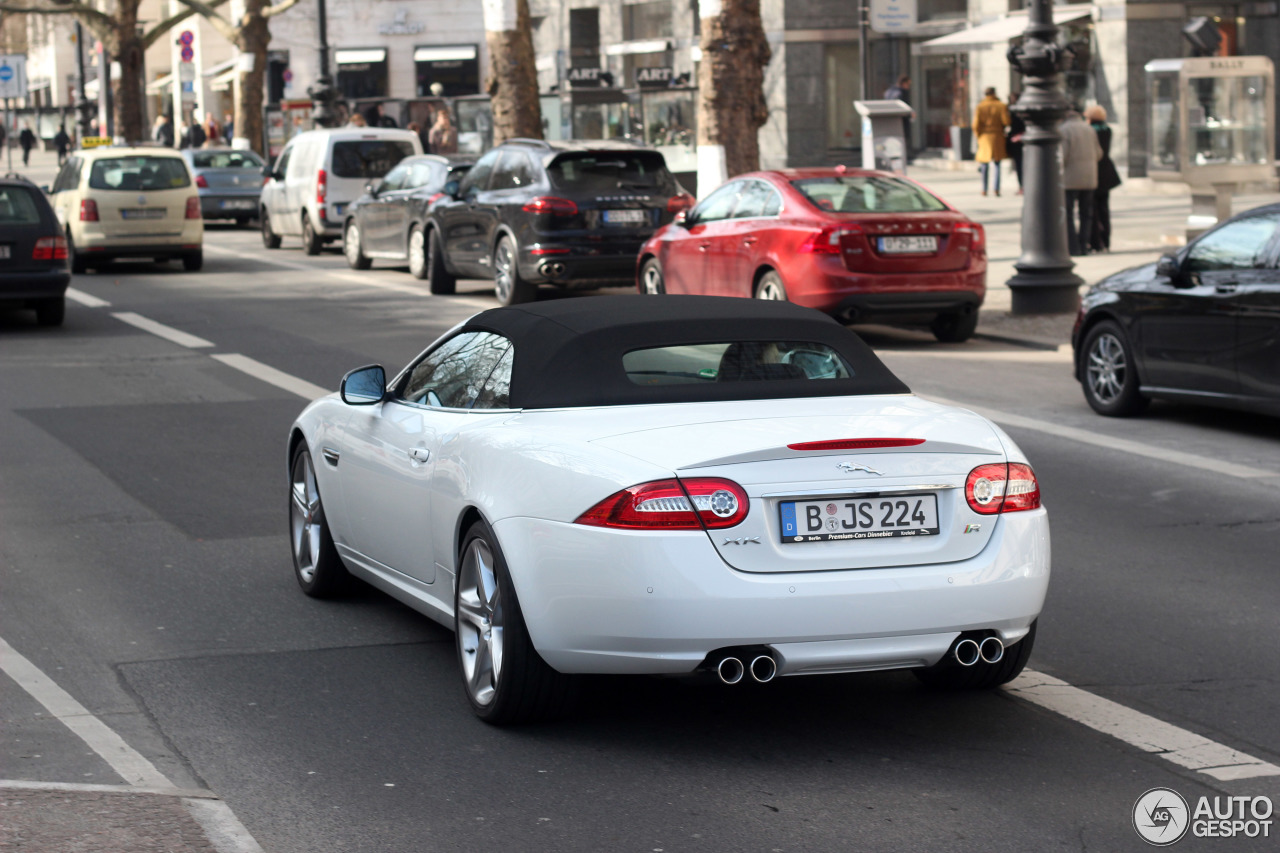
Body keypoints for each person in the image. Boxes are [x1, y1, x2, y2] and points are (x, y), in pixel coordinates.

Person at [1060, 106, 1103, 256]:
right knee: (1086, 214)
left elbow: (1062, 156)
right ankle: (1084, 245)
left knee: (1068, 214)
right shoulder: (1089, 129)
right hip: (1089, 178)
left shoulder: (1065, 130)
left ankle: (1073, 247)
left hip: (1070, 179)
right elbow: (1099, 153)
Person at [1085, 104, 1122, 253]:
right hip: (1106, 172)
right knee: (1104, 210)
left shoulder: (1091, 131)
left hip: (1094, 172)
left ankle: (1096, 242)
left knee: (1092, 210)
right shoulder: (1107, 129)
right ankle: (1105, 241)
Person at [972, 88, 1009, 197]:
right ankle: (996, 189)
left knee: (984, 164)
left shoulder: (980, 106)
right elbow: (1006, 121)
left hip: (984, 136)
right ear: (994, 93)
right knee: (997, 164)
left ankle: (984, 189)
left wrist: (978, 135)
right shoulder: (1001, 105)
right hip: (997, 136)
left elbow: (975, 125)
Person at [883, 75, 912, 160]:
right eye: (908, 84)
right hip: (901, 121)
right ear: (903, 83)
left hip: (890, 121)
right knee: (901, 141)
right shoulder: (900, 93)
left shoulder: (888, 92)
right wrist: (910, 114)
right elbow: (902, 109)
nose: (909, 87)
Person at [1006, 91, 1026, 196]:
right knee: (1020, 165)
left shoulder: (1016, 111)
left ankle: (1023, 186)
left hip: (1018, 141)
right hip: (1018, 141)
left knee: (1020, 165)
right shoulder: (1017, 110)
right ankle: (1023, 186)